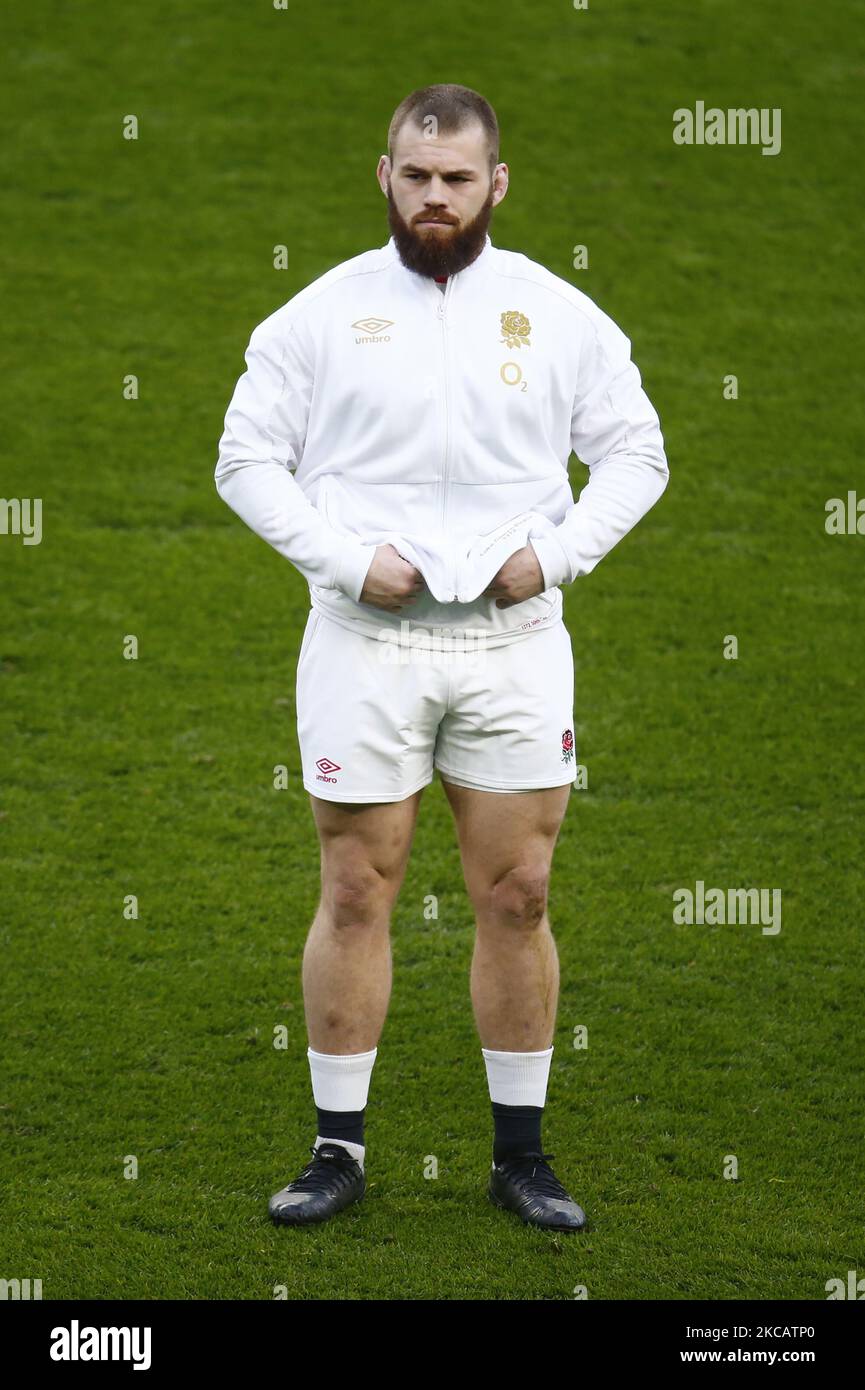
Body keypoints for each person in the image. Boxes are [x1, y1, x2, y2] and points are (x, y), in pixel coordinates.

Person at [215, 83, 669, 1233]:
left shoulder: (559, 313)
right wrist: (339, 555)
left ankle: (521, 1155)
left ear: (495, 186)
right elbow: (244, 459)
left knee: (518, 892)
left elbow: (635, 453)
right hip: (367, 640)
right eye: (414, 175)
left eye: (455, 178)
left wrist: (556, 555)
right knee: (357, 886)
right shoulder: (315, 316)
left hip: (512, 643)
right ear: (383, 176)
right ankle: (335, 1150)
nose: (433, 196)